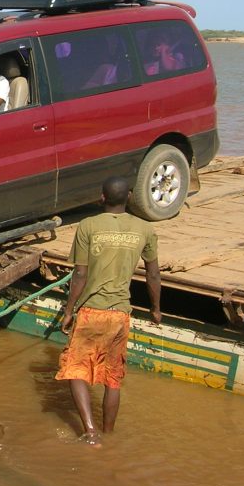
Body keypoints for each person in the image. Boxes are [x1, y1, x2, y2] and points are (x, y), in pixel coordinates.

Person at [57, 175, 161, 445]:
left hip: (93, 311)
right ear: (129, 197)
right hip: (120, 314)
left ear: (102, 198)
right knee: (112, 378)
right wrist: (156, 309)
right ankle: (109, 435)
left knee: (75, 370)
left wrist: (69, 311)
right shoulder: (145, 229)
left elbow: (80, 274)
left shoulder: (88, 226)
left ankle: (91, 432)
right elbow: (153, 275)